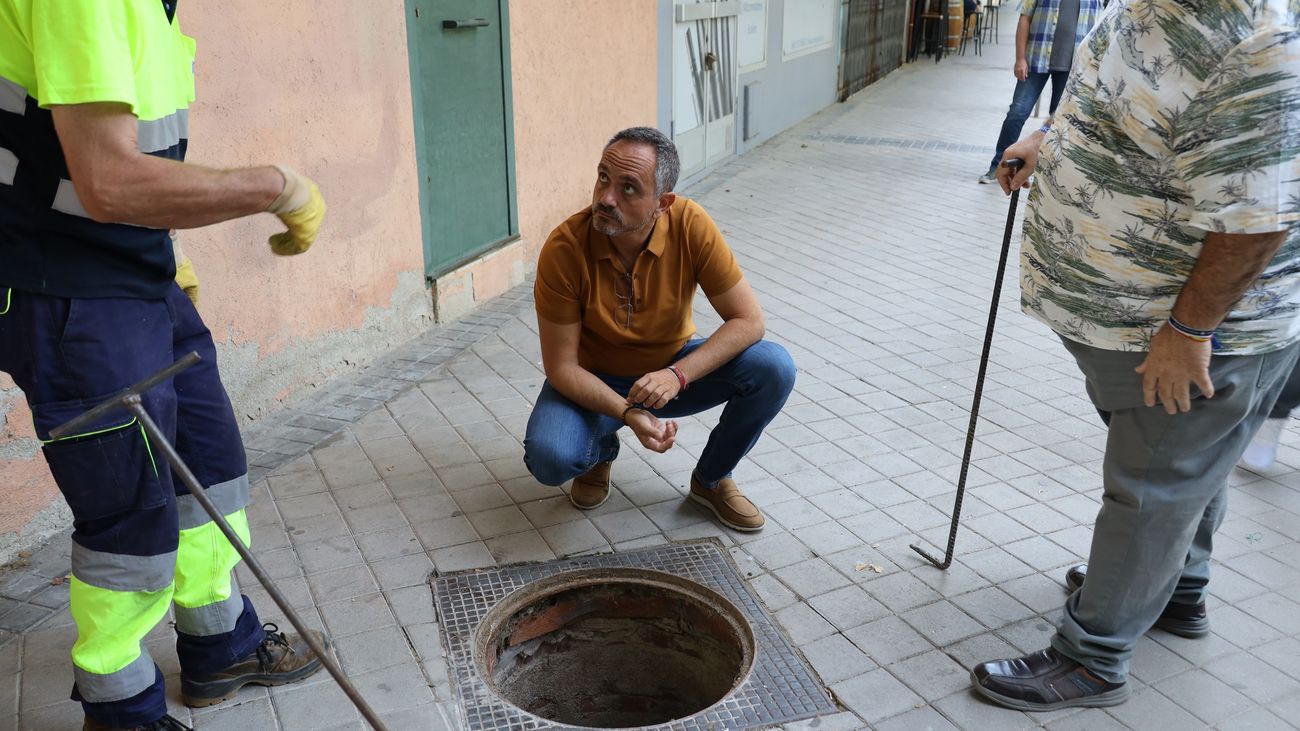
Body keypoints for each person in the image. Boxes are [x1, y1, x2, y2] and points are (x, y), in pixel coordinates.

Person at [0, 2, 328, 729]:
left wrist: (166, 254)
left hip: (133, 275)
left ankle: (222, 645)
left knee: (210, 465)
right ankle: (123, 711)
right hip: (70, 297)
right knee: (131, 518)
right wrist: (274, 187)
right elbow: (108, 181)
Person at [969, 0, 1300, 711]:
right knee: (1177, 471)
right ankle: (1177, 589)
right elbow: (1118, 92)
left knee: (1151, 486)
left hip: (1196, 331)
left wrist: (1189, 329)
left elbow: (1258, 219)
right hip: (1126, 322)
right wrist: (1051, 136)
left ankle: (1092, 658)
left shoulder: (1259, 41)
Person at [523, 127, 795, 533]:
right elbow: (562, 368)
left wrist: (677, 374)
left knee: (773, 367)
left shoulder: (691, 225)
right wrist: (628, 413)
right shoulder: (565, 249)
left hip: (670, 373)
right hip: (593, 380)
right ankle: (599, 452)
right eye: (603, 178)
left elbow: (749, 321)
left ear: (662, 203)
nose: (606, 198)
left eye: (629, 188)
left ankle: (711, 480)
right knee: (550, 457)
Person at [976, 0, 1100, 184]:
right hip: (1035, 61)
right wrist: (1020, 59)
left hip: (1072, 68)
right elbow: (1024, 19)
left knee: (1059, 122)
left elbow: (1100, 31)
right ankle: (998, 166)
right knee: (1017, 113)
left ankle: (1048, 173)